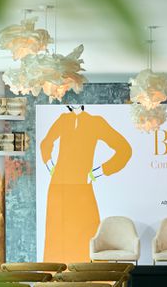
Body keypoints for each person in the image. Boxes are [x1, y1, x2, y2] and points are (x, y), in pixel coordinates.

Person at [41, 108, 132, 262]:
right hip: (58, 187)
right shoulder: (63, 119)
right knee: (57, 238)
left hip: (82, 187)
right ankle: (58, 277)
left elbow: (124, 149)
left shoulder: (95, 122)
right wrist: (51, 166)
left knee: (86, 235)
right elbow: (46, 143)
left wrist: (99, 171)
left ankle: (92, 277)